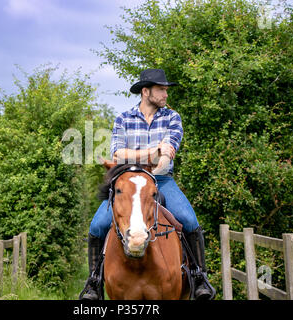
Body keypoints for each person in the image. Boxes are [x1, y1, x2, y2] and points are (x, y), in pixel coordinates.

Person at [80, 69, 214, 300]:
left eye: (166, 89)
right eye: (161, 89)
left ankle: (199, 277)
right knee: (97, 225)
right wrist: (153, 151)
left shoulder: (172, 118)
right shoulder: (123, 119)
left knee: (190, 220)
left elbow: (163, 161)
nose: (165, 94)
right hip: (127, 179)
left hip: (161, 180)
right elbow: (117, 154)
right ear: (146, 91)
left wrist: (144, 157)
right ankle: (94, 282)